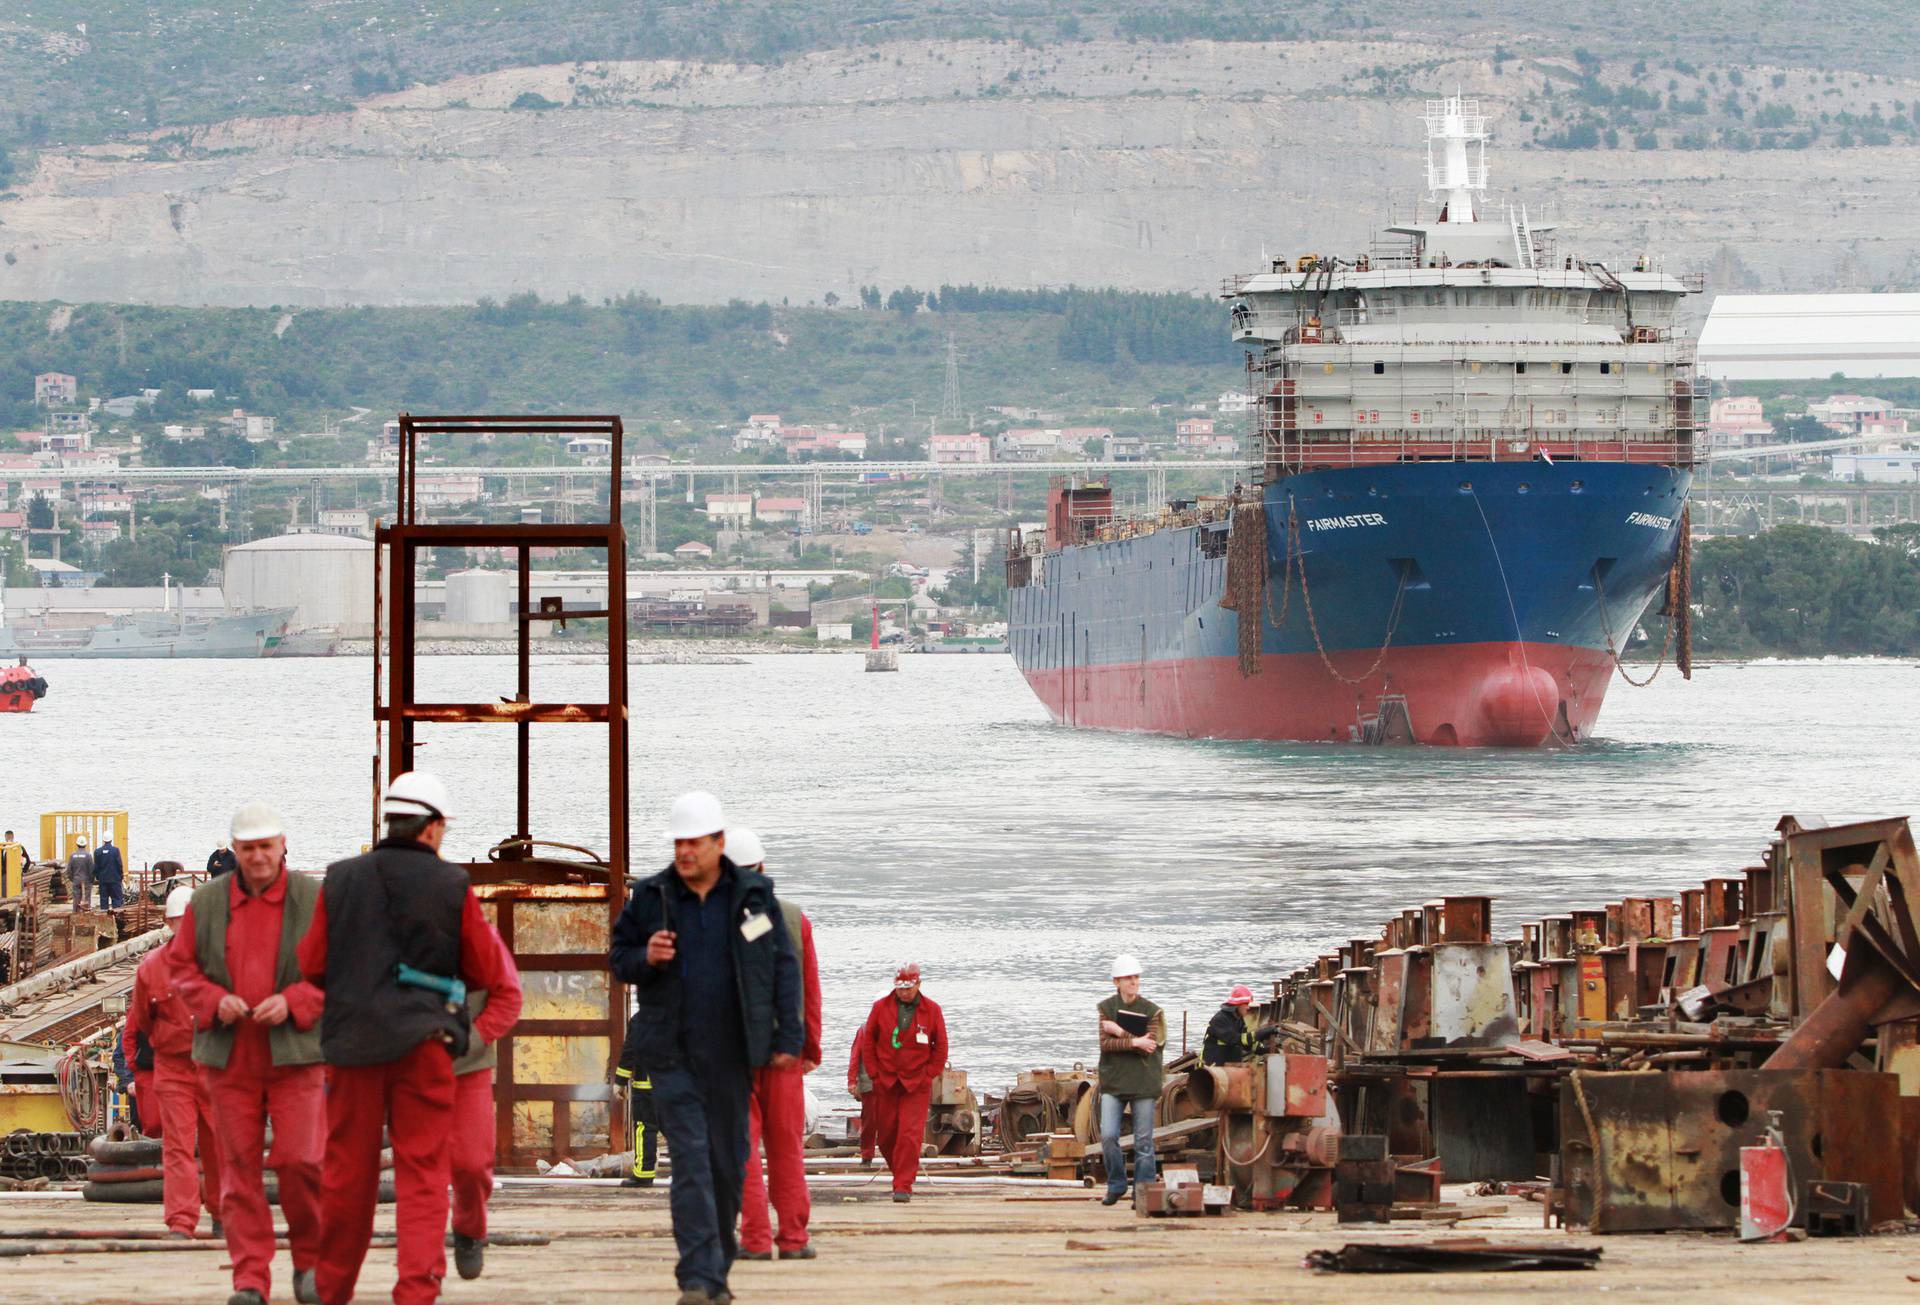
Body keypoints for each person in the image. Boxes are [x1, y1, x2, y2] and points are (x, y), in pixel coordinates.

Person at [298, 770, 514, 1305]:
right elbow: (486, 971)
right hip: (425, 1051)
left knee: (348, 1177)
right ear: (432, 829)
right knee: (422, 1177)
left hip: (353, 1051)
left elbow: (312, 964)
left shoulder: (339, 879)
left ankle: (333, 1289)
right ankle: (416, 1291)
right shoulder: (451, 886)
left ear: (390, 820)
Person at [608, 791, 803, 1305]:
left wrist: (789, 1039)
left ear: (718, 843)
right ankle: (696, 1276)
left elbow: (780, 966)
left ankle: (714, 1269)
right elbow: (618, 957)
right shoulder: (652, 898)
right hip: (672, 1055)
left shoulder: (754, 899)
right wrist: (643, 956)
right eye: (679, 842)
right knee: (691, 1161)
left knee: (726, 1161)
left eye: (694, 842)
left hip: (733, 1056)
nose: (685, 851)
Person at [169, 802, 326, 1305]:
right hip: (230, 1057)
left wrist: (296, 1000)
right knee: (238, 1172)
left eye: (266, 847)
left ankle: (310, 1262)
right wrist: (216, 1002)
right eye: (248, 848)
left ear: (283, 845)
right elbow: (182, 970)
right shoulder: (207, 904)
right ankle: (250, 1279)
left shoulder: (314, 899)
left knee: (302, 1162)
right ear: (233, 851)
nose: (258, 857)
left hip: (296, 1057)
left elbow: (339, 971)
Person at [731, 828, 823, 1263]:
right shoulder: (794, 918)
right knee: (787, 1148)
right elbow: (811, 990)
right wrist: (809, 1049)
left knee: (743, 1148)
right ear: (763, 869)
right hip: (785, 1053)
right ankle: (793, 1239)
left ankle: (753, 1238)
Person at [131, 884, 225, 1238]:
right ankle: (182, 1221)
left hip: (215, 1066)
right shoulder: (152, 968)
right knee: (178, 1146)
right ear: (169, 923)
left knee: (221, 1144)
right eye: (181, 921)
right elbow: (142, 1017)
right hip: (173, 1067)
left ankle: (222, 1214)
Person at [446, 911, 524, 1282]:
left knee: (473, 1164)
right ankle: (421, 1267)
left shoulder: (479, 935)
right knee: (418, 1172)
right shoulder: (387, 933)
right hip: (407, 1066)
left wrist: (471, 1041)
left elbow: (508, 997)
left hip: (467, 1067)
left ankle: (469, 1229)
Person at [855, 961, 947, 1203]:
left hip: (916, 1084)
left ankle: (903, 1185)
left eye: (908, 987)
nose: (904, 992)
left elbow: (941, 1046)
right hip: (885, 1081)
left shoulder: (932, 1010)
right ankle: (900, 1173)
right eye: (900, 987)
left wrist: (930, 1073)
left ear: (918, 984)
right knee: (885, 1135)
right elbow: (868, 1042)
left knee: (909, 1134)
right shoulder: (879, 1008)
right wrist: (874, 1073)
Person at [1096, 954, 1164, 1207]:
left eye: (1136, 977)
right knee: (1108, 1135)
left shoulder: (1152, 1011)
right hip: (1114, 1080)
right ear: (1117, 982)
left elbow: (1149, 1045)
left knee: (1144, 1141)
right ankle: (1117, 1184)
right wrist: (1134, 1040)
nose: (1134, 982)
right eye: (1128, 978)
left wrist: (1122, 1033)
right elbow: (1105, 1045)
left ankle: (1142, 1191)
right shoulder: (1105, 1008)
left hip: (1144, 1081)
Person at [614, 1017, 659, 1188]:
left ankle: (643, 1174)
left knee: (645, 1127)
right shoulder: (680, 1014)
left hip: (646, 1087)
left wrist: (620, 1081)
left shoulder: (642, 1020)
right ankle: (696, 1172)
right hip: (675, 1086)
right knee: (681, 1129)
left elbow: (630, 1051)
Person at [1203, 985, 1258, 1066]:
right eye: (1246, 1004)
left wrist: (1263, 1047)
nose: (1248, 1007)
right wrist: (1260, 1033)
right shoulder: (1220, 1020)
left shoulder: (1239, 1020)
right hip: (1212, 1069)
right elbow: (1237, 1039)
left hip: (1229, 1067)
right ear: (1237, 1005)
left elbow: (1248, 1045)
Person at [846, 1027, 877, 1167]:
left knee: (885, 1121)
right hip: (870, 1084)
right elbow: (855, 1056)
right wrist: (852, 1081)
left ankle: (895, 1156)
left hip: (888, 1083)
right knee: (869, 1121)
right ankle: (867, 1156)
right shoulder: (864, 1030)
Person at [94, 831, 126, 910]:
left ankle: (105, 919)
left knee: (104, 900)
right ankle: (117, 917)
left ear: (103, 840)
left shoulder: (97, 852)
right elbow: (119, 865)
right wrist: (121, 876)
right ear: (111, 839)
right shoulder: (115, 851)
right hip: (115, 879)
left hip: (103, 880)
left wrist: (98, 877)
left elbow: (96, 867)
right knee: (117, 900)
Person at [67, 835, 94, 908]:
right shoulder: (88, 855)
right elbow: (91, 870)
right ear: (85, 844)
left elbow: (69, 870)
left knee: (76, 899)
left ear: (77, 844)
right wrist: (91, 880)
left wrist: (73, 879)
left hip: (76, 880)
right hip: (86, 880)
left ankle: (75, 914)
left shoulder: (73, 855)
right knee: (87, 900)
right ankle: (86, 914)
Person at [0, 829, 26, 898]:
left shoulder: (3, 847)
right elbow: (26, 860)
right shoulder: (18, 846)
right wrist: (23, 871)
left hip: (6, 874)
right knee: (16, 891)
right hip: (16, 873)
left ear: (5, 837)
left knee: (6, 892)